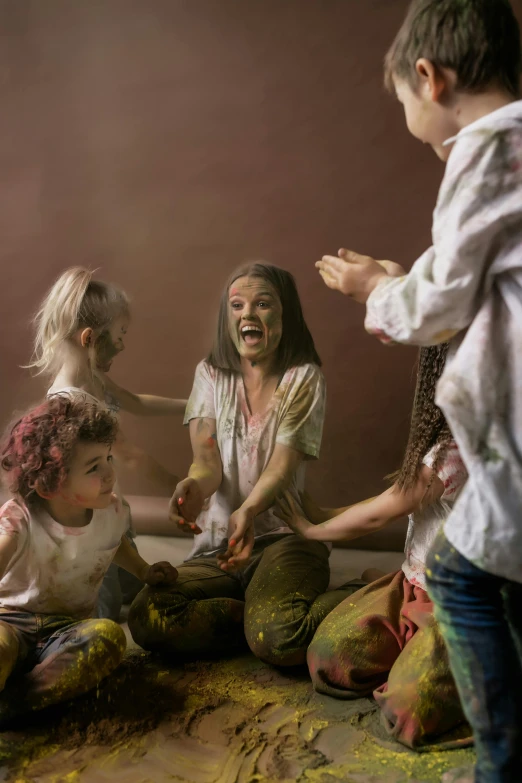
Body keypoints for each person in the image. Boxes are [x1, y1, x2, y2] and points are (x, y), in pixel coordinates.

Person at [315, 1, 522, 779]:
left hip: (513, 433)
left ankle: (502, 762)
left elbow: (436, 304)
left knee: (465, 582)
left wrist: (377, 286)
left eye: (402, 98)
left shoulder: (486, 147)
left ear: (429, 79)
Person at [128, 263, 361, 664]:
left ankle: (357, 593)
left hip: (285, 537)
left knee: (281, 639)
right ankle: (256, 617)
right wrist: (193, 487)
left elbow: (282, 466)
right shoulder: (210, 374)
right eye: (237, 305)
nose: (247, 314)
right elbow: (206, 462)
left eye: (262, 304)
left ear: (284, 315)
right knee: (147, 615)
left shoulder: (304, 378)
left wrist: (249, 509)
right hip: (219, 545)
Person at [278, 343, 472, 750]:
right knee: (330, 661)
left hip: (464, 605)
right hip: (413, 586)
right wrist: (325, 514)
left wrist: (315, 531)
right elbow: (396, 499)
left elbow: (384, 511)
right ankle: (391, 611)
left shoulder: (471, 449)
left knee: (408, 714)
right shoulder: (447, 439)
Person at [0, 395, 177, 722]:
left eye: (108, 458)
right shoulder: (20, 519)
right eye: (94, 466)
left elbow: (113, 543)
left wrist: (143, 569)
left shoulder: (110, 510)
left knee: (108, 638)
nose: (110, 473)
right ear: (50, 483)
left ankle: (16, 704)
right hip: (11, 622)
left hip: (67, 630)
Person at [26, 266, 186, 621]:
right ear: (89, 338)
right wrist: (178, 487)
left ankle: (127, 578)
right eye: (120, 333)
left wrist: (194, 407)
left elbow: (137, 402)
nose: (124, 343)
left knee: (135, 581)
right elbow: (129, 456)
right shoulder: (71, 405)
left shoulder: (94, 379)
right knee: (103, 608)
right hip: (89, 523)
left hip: (112, 511)